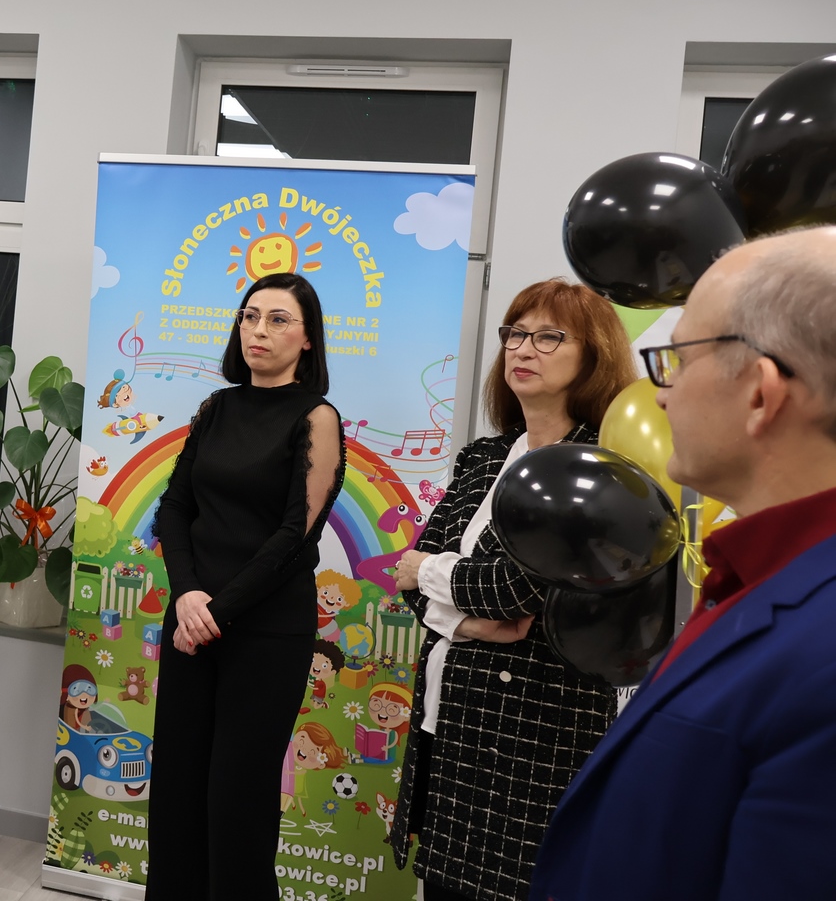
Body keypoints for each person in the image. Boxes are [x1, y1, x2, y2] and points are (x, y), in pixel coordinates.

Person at [532, 227, 836, 901]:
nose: (659, 395)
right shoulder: (757, 579)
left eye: (674, 361)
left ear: (760, 393)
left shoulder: (822, 652)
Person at [387, 279, 635, 901]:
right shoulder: (483, 456)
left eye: (549, 337)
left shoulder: (597, 463)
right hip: (449, 716)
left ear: (594, 355)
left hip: (535, 727)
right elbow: (405, 578)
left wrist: (431, 573)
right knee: (443, 886)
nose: (524, 349)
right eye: (516, 334)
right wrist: (461, 619)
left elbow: (511, 590)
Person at [144, 271, 346, 901]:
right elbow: (174, 508)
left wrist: (217, 611)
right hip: (192, 622)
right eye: (250, 316)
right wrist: (187, 595)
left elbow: (295, 537)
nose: (259, 330)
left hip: (264, 632)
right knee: (176, 794)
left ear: (307, 338)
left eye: (278, 319)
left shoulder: (317, 418)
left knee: (237, 804)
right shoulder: (218, 408)